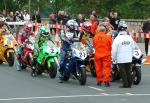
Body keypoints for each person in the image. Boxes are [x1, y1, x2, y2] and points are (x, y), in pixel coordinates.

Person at [112, 21, 135, 88]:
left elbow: (114, 50)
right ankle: (129, 84)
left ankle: (125, 84)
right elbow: (133, 47)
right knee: (128, 71)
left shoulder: (117, 38)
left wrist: (114, 58)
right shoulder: (129, 38)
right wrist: (131, 54)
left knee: (123, 71)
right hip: (128, 57)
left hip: (120, 58)